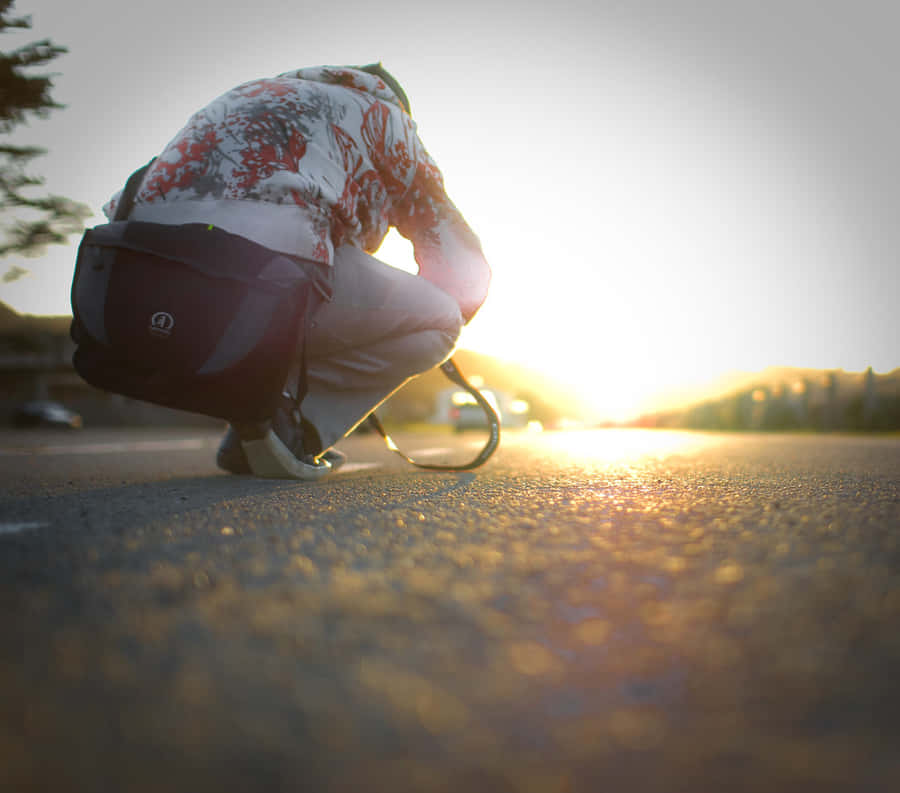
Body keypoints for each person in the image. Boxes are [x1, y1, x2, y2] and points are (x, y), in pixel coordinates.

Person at [103, 63, 491, 480]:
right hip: (268, 269)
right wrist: (443, 321)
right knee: (441, 318)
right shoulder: (387, 119)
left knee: (305, 273)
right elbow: (453, 251)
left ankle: (257, 421)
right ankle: (293, 426)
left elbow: (123, 202)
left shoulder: (252, 93)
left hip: (139, 275)